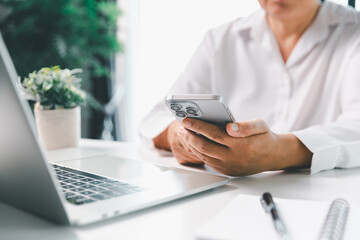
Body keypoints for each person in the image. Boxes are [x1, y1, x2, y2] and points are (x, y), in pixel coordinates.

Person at [139, 0, 360, 176]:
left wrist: (281, 152)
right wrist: (182, 139)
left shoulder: (354, 34)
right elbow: (154, 120)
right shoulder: (221, 40)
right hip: (224, 197)